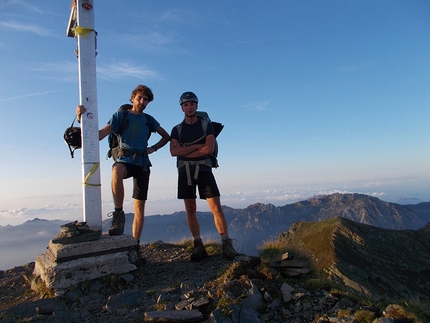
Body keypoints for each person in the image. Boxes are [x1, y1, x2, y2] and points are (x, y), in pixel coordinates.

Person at [76, 84, 170, 243]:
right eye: (139, 98)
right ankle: (118, 215)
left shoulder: (149, 120)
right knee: (116, 171)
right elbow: (99, 135)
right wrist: (81, 120)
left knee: (139, 208)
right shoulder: (120, 116)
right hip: (125, 159)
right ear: (133, 98)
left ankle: (136, 244)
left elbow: (166, 136)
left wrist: (153, 148)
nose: (142, 101)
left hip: (143, 163)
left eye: (145, 99)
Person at [170, 91, 238, 261]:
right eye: (186, 104)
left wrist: (185, 150)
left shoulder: (207, 125)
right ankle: (198, 246)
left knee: (216, 207)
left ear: (197, 105)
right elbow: (173, 151)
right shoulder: (176, 129)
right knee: (190, 209)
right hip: (185, 171)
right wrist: (197, 148)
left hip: (204, 170)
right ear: (182, 108)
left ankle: (226, 244)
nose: (189, 107)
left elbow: (208, 149)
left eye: (192, 104)